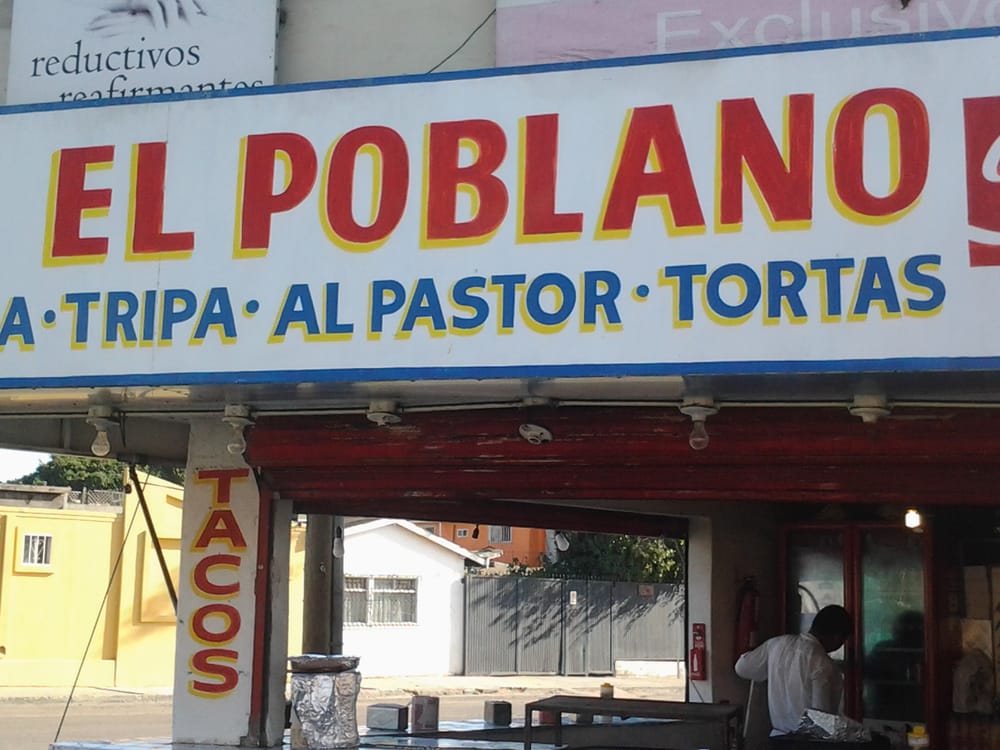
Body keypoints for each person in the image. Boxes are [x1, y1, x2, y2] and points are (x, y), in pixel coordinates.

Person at [735, 604, 851, 739]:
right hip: (806, 744)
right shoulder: (823, 664)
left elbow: (742, 668)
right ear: (837, 638)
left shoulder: (776, 645)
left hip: (777, 740)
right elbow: (821, 721)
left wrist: (773, 669)